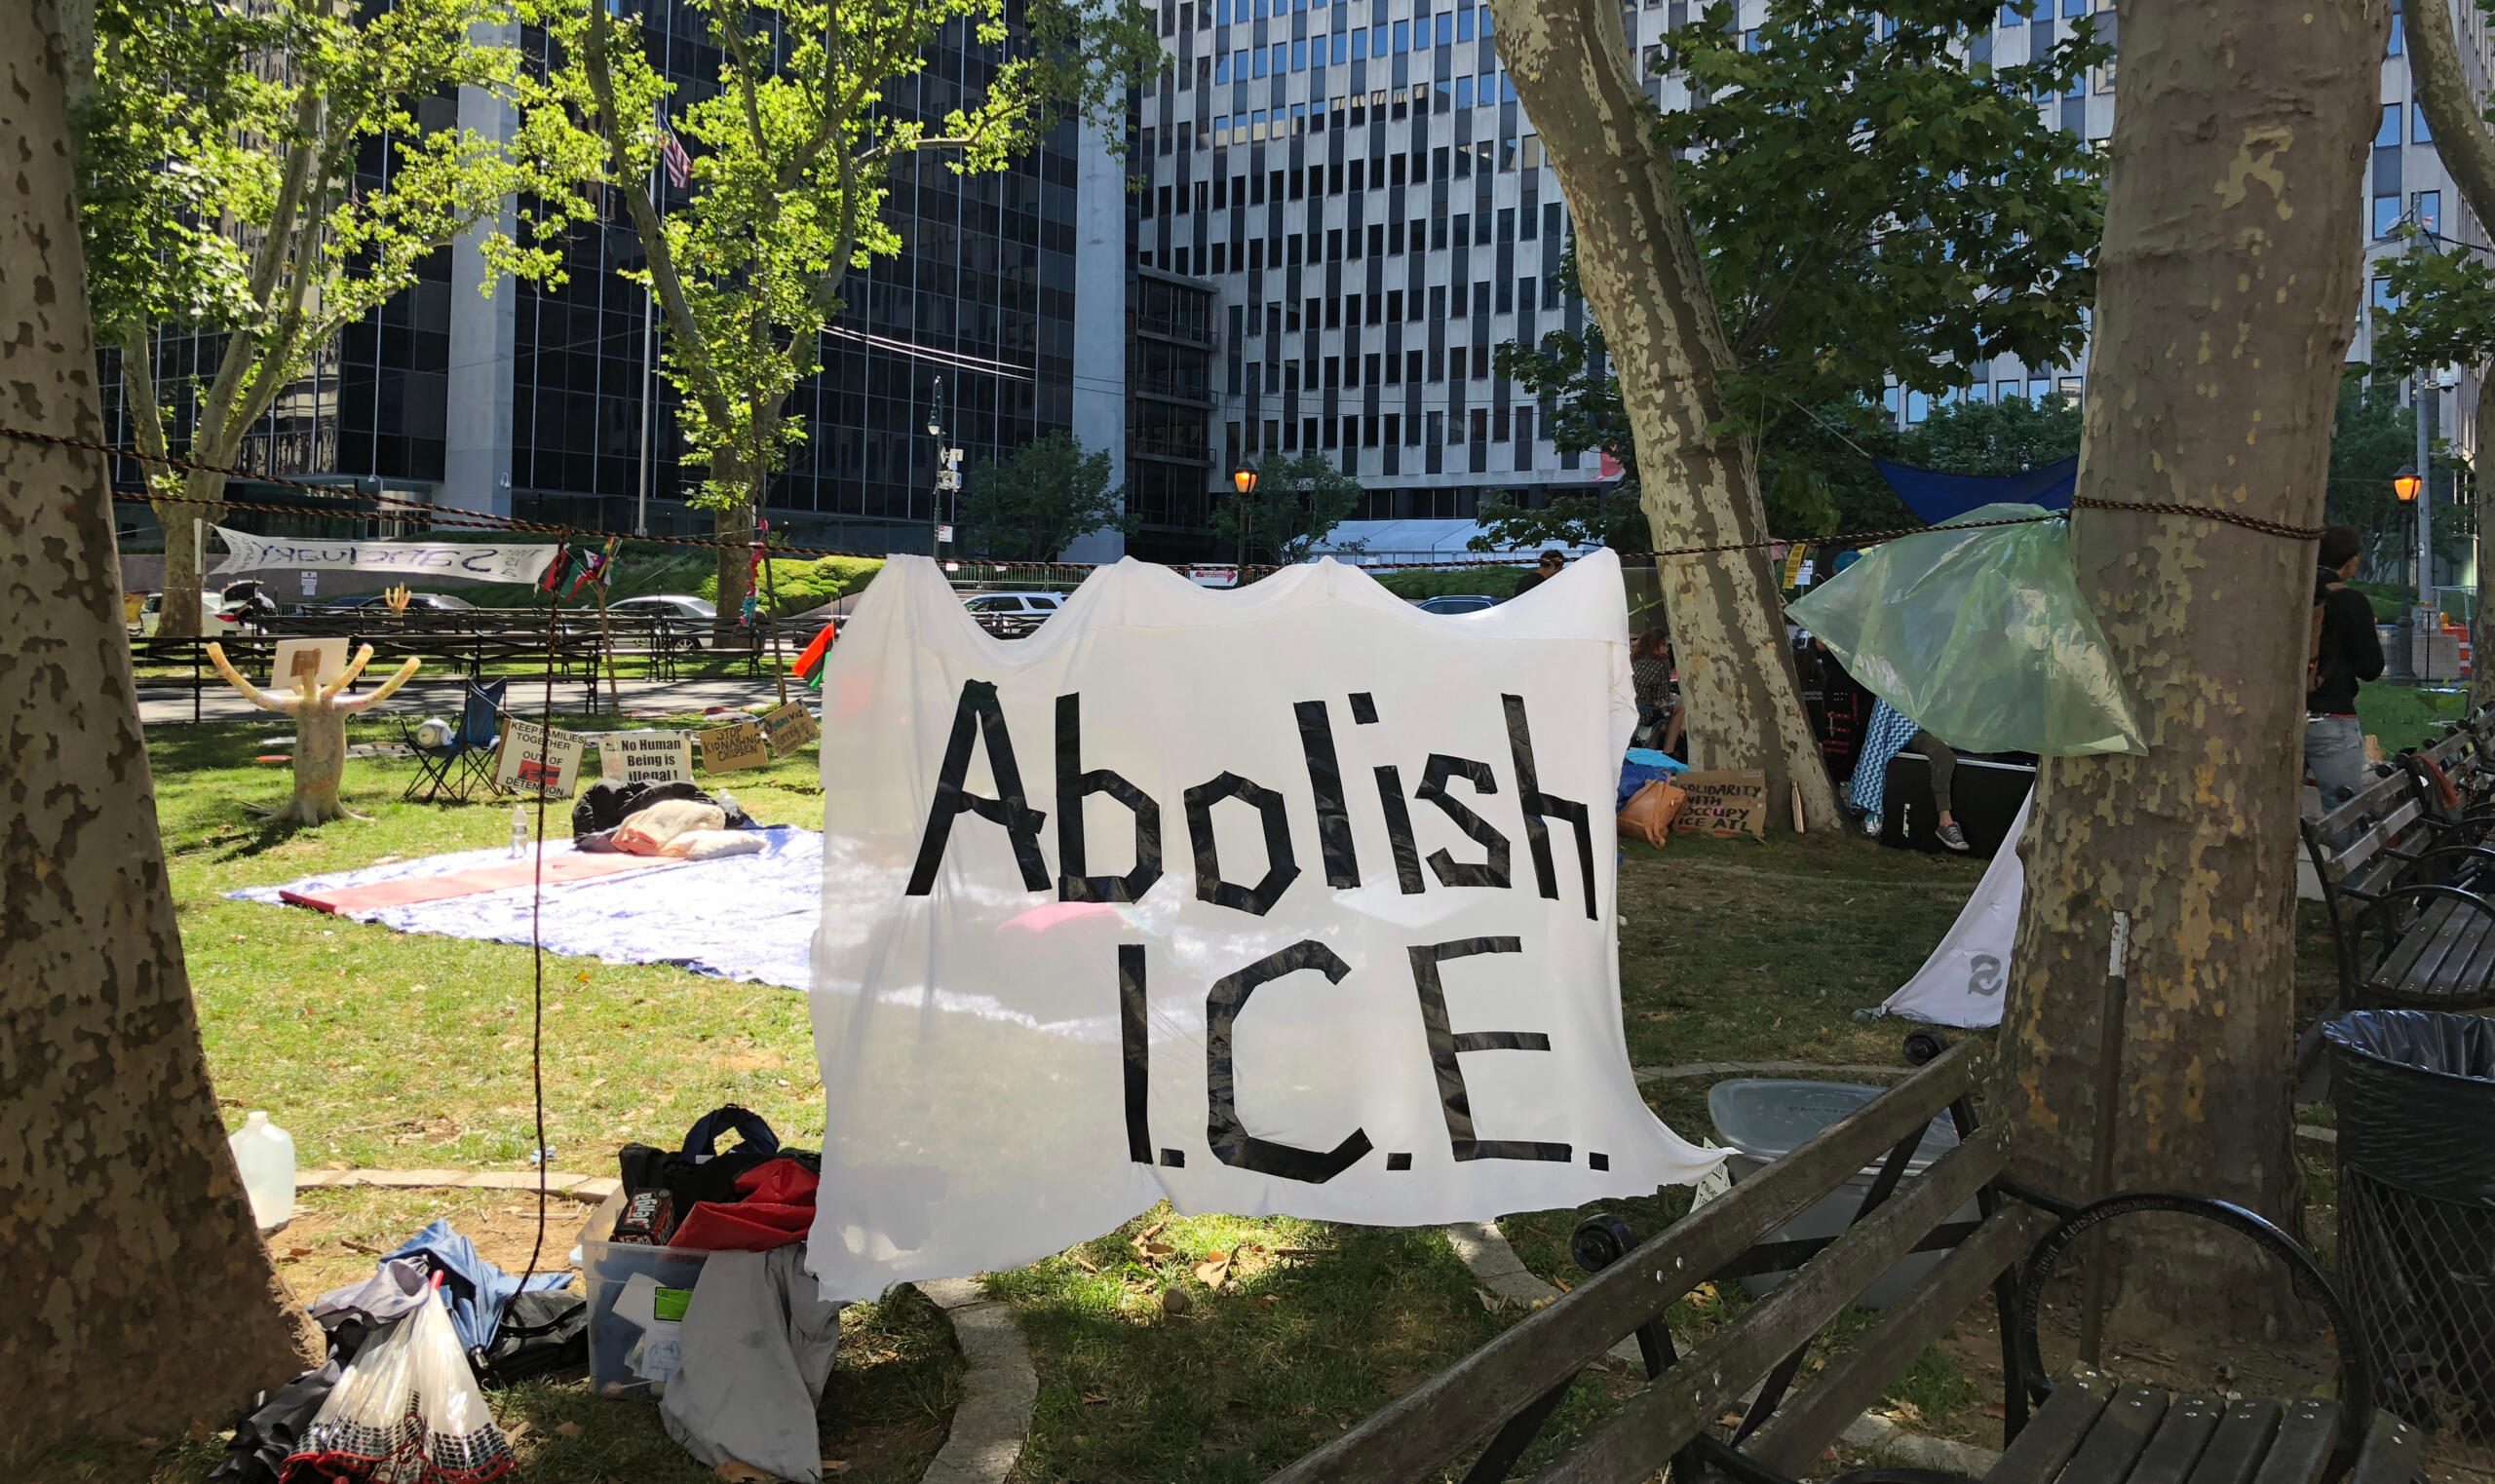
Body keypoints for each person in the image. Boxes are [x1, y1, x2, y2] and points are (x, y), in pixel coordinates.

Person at [2307, 524, 2384, 815]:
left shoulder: (2288, 592)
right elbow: (2370, 668)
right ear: (2351, 561)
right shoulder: (2350, 600)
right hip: (2331, 715)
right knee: (2344, 812)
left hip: (2279, 712)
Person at [1630, 628, 1684, 754]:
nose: (1667, 648)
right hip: (1649, 713)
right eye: (1664, 644)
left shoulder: (1635, 660)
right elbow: (1660, 699)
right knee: (1680, 706)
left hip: (1634, 708)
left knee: (1671, 704)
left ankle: (1652, 745)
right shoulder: (1662, 663)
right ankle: (1668, 749)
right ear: (1655, 645)